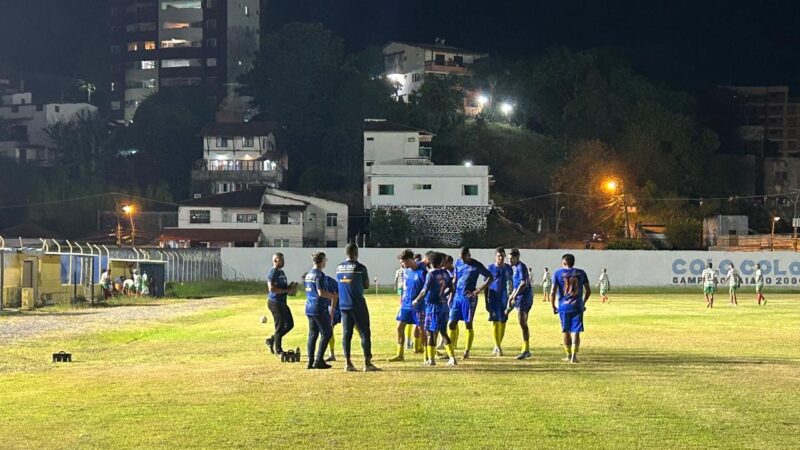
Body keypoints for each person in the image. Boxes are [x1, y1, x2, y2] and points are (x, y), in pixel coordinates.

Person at [336, 243, 380, 372]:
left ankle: (348, 363)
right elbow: (366, 285)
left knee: (346, 334)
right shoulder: (360, 267)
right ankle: (367, 363)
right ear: (356, 253)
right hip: (357, 304)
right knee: (364, 332)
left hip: (343, 304)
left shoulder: (339, 268)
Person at [413, 252, 457, 366]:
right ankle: (452, 358)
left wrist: (416, 300)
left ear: (431, 262)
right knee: (443, 332)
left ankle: (431, 360)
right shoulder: (446, 273)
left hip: (433, 307)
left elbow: (424, 290)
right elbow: (452, 288)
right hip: (444, 306)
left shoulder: (431, 274)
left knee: (430, 332)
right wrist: (442, 294)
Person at [449, 247, 493, 359]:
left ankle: (467, 351)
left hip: (468, 298)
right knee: (452, 324)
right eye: (461, 258)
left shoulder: (476, 265)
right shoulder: (458, 263)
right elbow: (455, 278)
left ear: (469, 255)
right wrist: (451, 293)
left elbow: (490, 277)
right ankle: (451, 350)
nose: (462, 260)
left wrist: (478, 290)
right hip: (457, 298)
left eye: (464, 257)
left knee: (468, 324)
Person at [550, 253, 590, 363]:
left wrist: (553, 305)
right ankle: (574, 356)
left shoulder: (558, 273)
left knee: (566, 331)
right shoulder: (581, 273)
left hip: (564, 306)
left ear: (563, 262)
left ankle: (568, 355)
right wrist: (583, 302)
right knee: (576, 330)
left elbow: (553, 291)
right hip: (577, 305)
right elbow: (588, 290)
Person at [388, 249, 427, 362]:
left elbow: (426, 288)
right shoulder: (406, 271)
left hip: (418, 306)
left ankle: (427, 355)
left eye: (403, 262)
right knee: (400, 327)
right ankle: (400, 354)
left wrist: (420, 300)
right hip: (406, 305)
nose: (402, 265)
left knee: (421, 330)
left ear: (409, 260)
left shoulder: (422, 271)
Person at [304, 252, 339, 369]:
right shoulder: (319, 275)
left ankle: (310, 361)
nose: (326, 262)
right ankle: (319, 360)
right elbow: (321, 293)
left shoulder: (309, 274)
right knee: (327, 333)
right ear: (321, 260)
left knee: (312, 334)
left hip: (309, 307)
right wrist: (333, 296)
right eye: (325, 260)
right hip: (318, 307)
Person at [266, 253, 296, 356]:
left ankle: (272, 339)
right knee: (279, 326)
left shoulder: (282, 272)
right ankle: (278, 350)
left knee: (290, 324)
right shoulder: (273, 272)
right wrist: (286, 290)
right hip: (275, 302)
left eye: (283, 260)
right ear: (275, 261)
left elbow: (283, 288)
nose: (283, 262)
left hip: (282, 302)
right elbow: (272, 289)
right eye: (280, 260)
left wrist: (290, 288)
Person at [485, 247, 513, 356]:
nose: (500, 258)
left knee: (503, 322)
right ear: (495, 256)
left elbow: (511, 283)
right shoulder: (490, 268)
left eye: (502, 256)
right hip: (493, 298)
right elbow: (487, 285)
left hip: (504, 298)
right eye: (498, 256)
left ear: (504, 256)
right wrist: (486, 302)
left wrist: (512, 298)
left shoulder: (508, 269)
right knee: (495, 322)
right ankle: (498, 346)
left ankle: (497, 345)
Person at [507, 249, 534, 360]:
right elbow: (516, 285)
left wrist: (514, 295)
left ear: (517, 257)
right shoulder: (516, 268)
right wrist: (511, 297)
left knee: (522, 322)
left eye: (511, 258)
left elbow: (523, 284)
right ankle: (526, 349)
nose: (510, 261)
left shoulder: (521, 267)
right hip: (520, 297)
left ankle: (526, 350)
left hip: (524, 298)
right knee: (522, 322)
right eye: (509, 259)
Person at [394, 262, 414, 350]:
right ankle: (401, 351)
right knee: (400, 326)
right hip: (402, 290)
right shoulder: (400, 271)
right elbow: (396, 279)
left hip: (412, 302)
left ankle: (418, 347)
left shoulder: (412, 272)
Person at [326, 275, 341, 362]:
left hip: (340, 306)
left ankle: (367, 352)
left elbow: (335, 296)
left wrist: (331, 311)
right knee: (329, 329)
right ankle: (331, 354)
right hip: (331, 307)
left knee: (356, 327)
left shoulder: (328, 282)